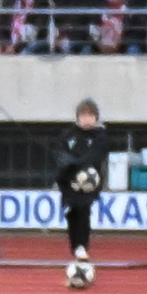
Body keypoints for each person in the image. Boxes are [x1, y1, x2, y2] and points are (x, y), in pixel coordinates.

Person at [54, 99, 109, 270]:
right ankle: (76, 245)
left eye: (90, 116)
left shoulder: (100, 137)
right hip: (68, 181)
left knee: (83, 210)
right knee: (72, 212)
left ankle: (81, 246)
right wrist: (67, 166)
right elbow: (60, 153)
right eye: (84, 115)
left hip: (89, 183)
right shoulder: (68, 134)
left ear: (96, 118)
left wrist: (76, 165)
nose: (87, 119)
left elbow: (94, 156)